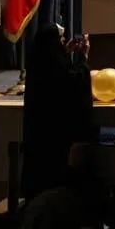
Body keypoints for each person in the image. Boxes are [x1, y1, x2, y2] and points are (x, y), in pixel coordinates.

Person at [20, 23, 94, 201]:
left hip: (39, 137)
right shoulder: (54, 65)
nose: (64, 41)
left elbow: (56, 73)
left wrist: (66, 52)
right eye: (60, 39)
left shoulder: (38, 61)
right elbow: (73, 85)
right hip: (57, 140)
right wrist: (83, 57)